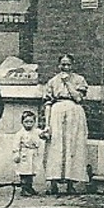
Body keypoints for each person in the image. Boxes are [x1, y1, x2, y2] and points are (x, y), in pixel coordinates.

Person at [40, 53, 90, 195]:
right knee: (55, 147)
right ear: (59, 65)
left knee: (73, 146)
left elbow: (79, 98)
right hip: (56, 112)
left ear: (72, 66)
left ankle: (70, 184)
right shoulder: (52, 81)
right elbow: (48, 103)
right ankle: (53, 183)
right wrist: (47, 124)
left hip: (74, 112)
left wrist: (68, 83)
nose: (65, 67)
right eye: (63, 64)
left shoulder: (79, 80)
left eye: (68, 64)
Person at [13, 110, 45, 196]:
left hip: (33, 154)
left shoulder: (36, 131)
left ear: (34, 122)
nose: (29, 124)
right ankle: (24, 188)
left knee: (31, 172)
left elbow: (43, 134)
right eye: (26, 122)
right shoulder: (20, 133)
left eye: (31, 122)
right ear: (22, 122)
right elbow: (16, 145)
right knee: (24, 172)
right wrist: (16, 155)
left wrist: (45, 133)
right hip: (24, 154)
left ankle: (29, 187)